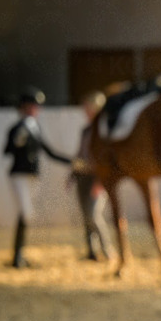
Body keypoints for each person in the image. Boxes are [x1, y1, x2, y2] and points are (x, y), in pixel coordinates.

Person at [3, 86, 72, 268]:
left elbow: (49, 152)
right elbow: (7, 150)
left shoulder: (35, 128)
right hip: (19, 175)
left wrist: (71, 161)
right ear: (24, 107)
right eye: (32, 106)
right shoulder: (17, 128)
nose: (36, 109)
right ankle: (17, 256)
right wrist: (18, 141)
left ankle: (19, 255)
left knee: (27, 214)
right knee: (26, 213)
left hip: (33, 176)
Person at [69, 91, 113, 261]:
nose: (85, 111)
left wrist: (100, 181)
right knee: (86, 215)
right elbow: (80, 153)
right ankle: (92, 251)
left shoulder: (103, 131)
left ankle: (108, 250)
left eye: (88, 107)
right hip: (83, 176)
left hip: (97, 177)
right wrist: (72, 174)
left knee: (94, 215)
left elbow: (106, 159)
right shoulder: (86, 130)